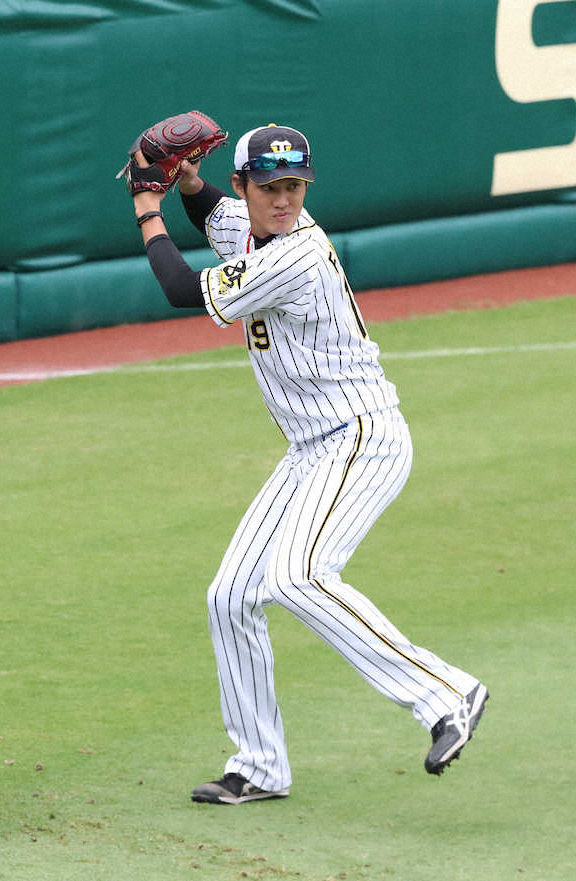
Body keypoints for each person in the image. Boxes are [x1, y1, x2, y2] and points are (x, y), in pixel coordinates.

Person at [126, 123, 488, 804]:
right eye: (271, 187)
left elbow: (179, 288)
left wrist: (147, 203)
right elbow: (214, 215)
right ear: (247, 186)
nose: (285, 198)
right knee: (229, 596)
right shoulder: (248, 222)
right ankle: (259, 766)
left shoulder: (298, 252)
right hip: (312, 449)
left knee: (297, 576)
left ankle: (447, 693)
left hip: (362, 437)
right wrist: (188, 181)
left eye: (295, 186)